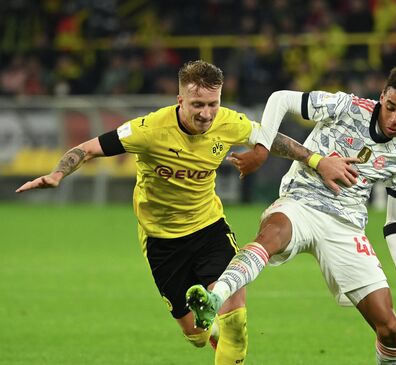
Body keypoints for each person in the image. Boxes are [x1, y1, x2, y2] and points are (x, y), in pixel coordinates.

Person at [15, 60, 358, 364]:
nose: (206, 113)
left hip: (209, 228)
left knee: (235, 321)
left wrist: (316, 160)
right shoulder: (148, 130)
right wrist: (58, 173)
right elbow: (87, 149)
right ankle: (210, 337)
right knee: (196, 336)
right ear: (180, 101)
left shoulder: (227, 122)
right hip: (162, 241)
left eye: (213, 103)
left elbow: (272, 138)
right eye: (197, 104)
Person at [185, 64, 396, 364]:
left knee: (390, 329)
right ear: (382, 97)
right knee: (271, 235)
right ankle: (216, 297)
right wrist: (263, 147)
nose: (395, 118)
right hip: (300, 202)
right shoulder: (346, 106)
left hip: (346, 226)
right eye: (390, 107)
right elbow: (280, 99)